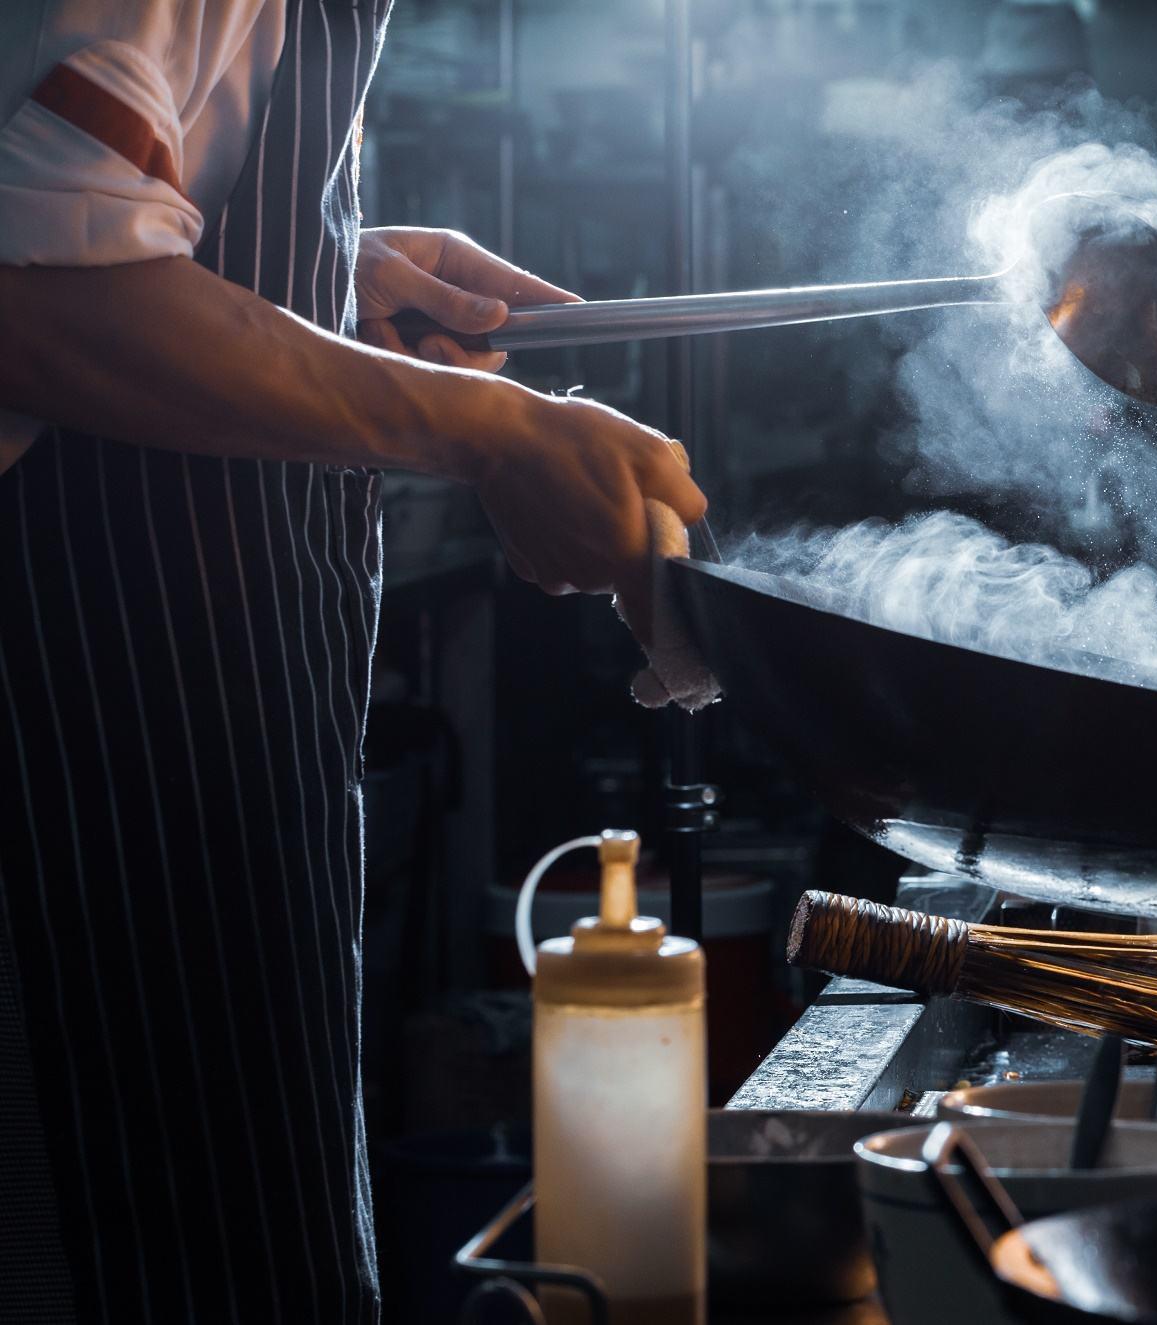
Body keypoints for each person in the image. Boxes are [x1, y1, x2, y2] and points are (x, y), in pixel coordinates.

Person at [0, 2, 705, 1320]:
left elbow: (73, 191)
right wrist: (490, 432)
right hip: (67, 781)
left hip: (210, 766)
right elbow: (33, 296)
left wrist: (323, 275)